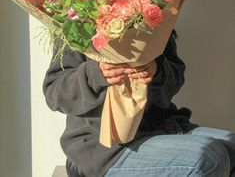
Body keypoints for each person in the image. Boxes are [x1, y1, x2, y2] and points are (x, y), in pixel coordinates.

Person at [43, 30, 235, 177]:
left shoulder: (153, 11)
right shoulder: (76, 19)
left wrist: (157, 71)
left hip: (160, 128)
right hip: (103, 148)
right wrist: (98, 73)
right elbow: (55, 93)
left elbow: (176, 79)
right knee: (209, 158)